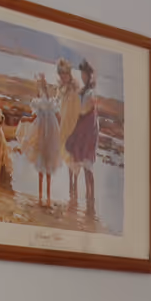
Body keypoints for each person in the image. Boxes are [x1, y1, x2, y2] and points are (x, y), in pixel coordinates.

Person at [63, 58, 99, 221]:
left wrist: (75, 110)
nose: (84, 77)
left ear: (91, 75)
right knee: (81, 161)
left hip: (88, 131)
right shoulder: (84, 90)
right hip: (82, 129)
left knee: (87, 165)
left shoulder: (91, 92)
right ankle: (81, 199)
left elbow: (85, 110)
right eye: (83, 74)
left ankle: (90, 201)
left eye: (86, 74)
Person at [20, 74, 62, 208]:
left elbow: (34, 118)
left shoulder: (42, 102)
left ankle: (41, 198)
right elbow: (58, 117)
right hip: (50, 137)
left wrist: (25, 119)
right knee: (47, 166)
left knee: (42, 167)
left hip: (44, 137)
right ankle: (47, 199)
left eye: (39, 86)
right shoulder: (49, 103)